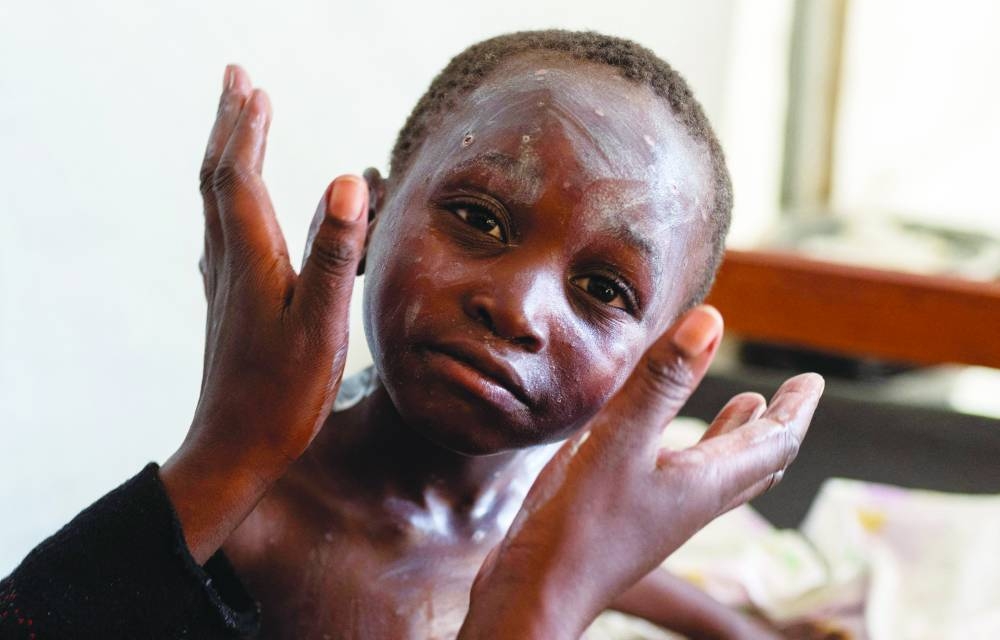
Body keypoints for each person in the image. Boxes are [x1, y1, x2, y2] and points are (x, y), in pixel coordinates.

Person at [0, 30, 823, 639]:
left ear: (651, 358)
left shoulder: (541, 498)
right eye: (478, 218)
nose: (519, 309)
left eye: (604, 290)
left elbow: (595, 564)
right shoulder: (263, 525)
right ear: (374, 213)